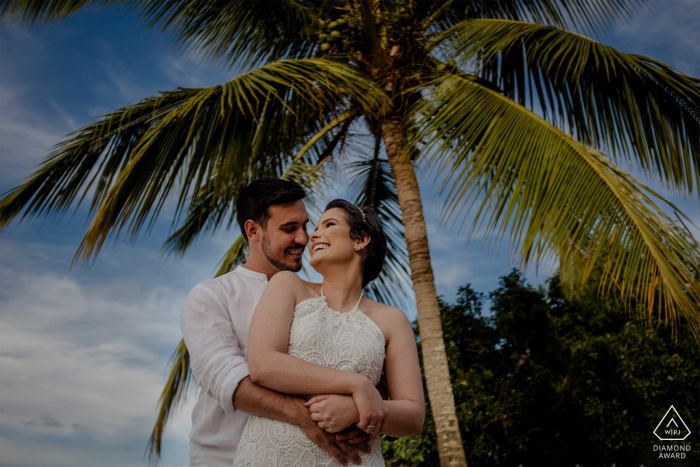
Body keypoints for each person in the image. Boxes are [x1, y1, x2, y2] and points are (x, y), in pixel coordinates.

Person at [181, 179, 373, 467]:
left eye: (305, 226)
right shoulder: (212, 296)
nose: (303, 238)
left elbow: (364, 366)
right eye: (289, 229)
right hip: (226, 459)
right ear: (253, 230)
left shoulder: (325, 295)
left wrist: (357, 406)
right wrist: (306, 418)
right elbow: (228, 380)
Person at [233, 199, 425, 466]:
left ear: (361, 239)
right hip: (272, 455)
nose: (312, 234)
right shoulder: (287, 285)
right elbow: (263, 364)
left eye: (329, 224)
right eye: (316, 228)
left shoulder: (392, 319)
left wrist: (356, 410)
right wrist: (357, 385)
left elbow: (414, 416)